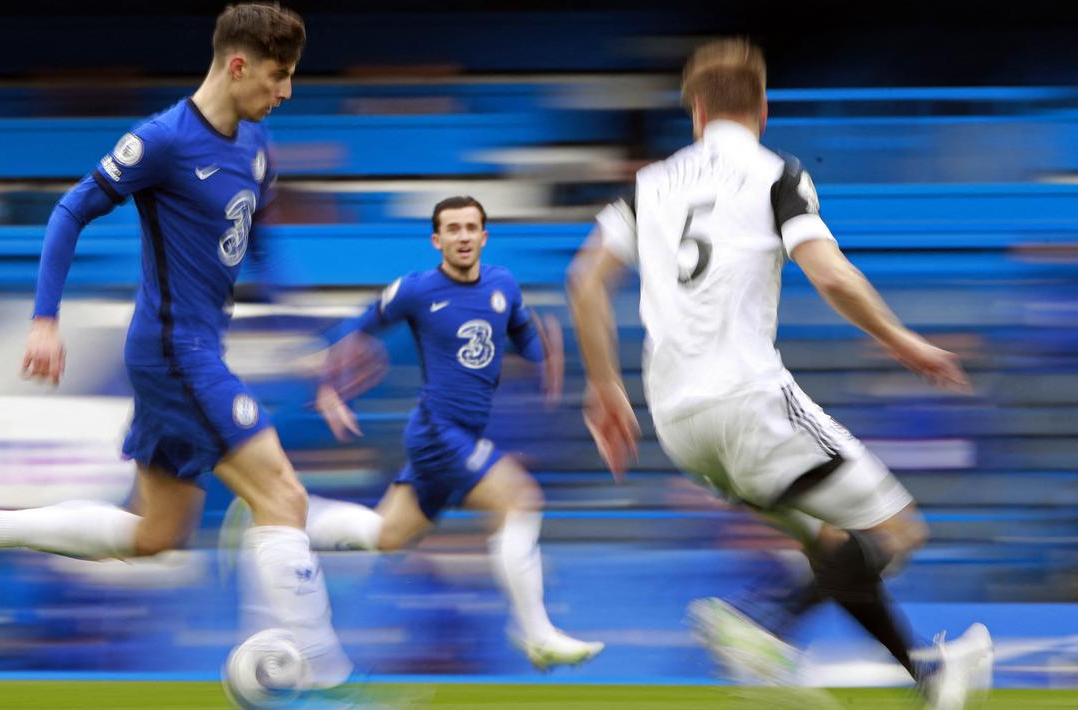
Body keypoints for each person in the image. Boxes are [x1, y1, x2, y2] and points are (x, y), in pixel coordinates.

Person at [0, 2, 354, 692]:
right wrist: (44, 319)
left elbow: (261, 249)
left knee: (156, 534)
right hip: (174, 354)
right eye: (279, 75)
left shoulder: (256, 145)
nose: (287, 91)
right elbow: (71, 210)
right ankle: (322, 681)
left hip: (194, 353)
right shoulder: (163, 140)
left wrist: (308, 334)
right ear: (239, 66)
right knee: (283, 496)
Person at [566, 38, 992, 708]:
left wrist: (603, 386)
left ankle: (926, 677)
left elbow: (585, 280)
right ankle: (761, 626)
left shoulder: (647, 185)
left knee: (830, 546)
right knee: (896, 531)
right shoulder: (776, 175)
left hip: (677, 422)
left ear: (695, 112)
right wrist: (902, 340)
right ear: (763, 109)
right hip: (749, 400)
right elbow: (830, 274)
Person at [308, 196, 604, 669]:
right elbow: (356, 327)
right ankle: (535, 633)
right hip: (437, 433)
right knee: (519, 499)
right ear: (437, 240)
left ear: (484, 237)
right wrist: (330, 386)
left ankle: (295, 517)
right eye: (452, 228)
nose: (462, 236)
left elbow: (521, 333)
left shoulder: (503, 285)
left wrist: (543, 357)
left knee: (388, 535)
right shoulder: (415, 289)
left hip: (461, 433)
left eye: (470, 228)